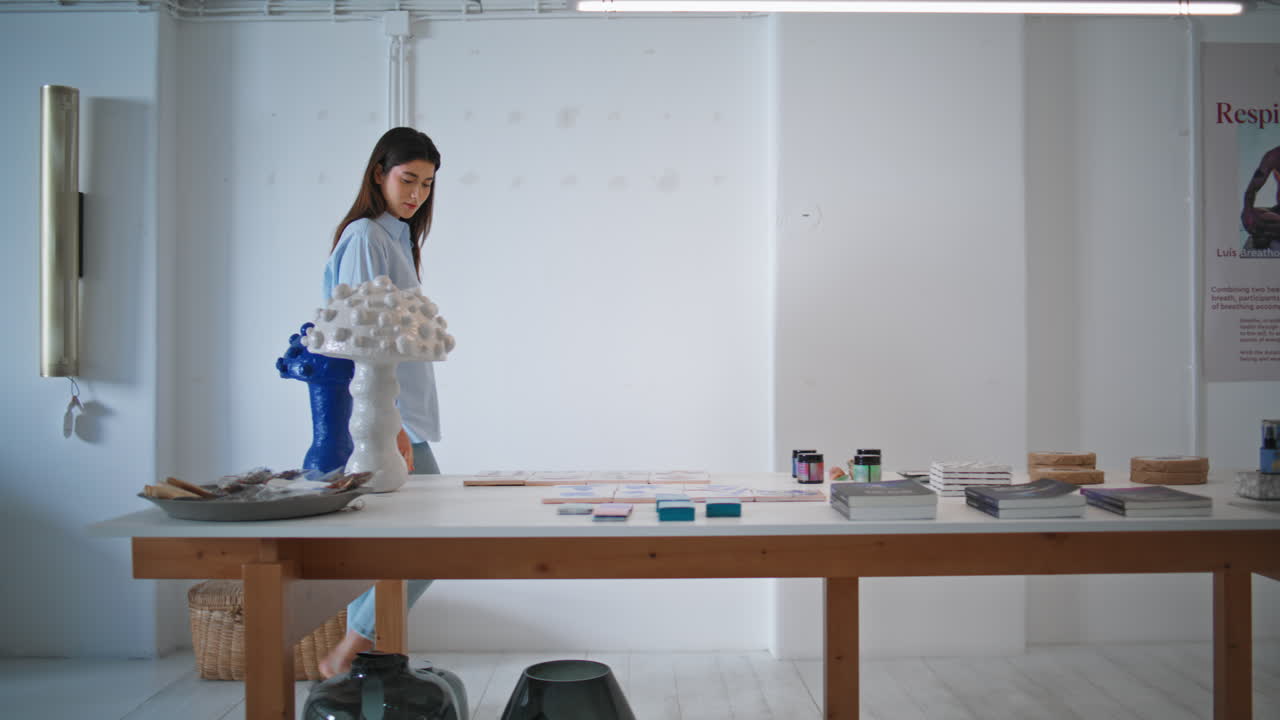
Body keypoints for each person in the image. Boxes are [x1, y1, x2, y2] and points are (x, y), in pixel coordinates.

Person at [317, 127, 443, 678]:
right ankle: (349, 653)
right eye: (407, 179)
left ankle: (363, 661)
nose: (416, 193)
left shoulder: (393, 239)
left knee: (388, 548)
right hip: (386, 419)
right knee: (433, 544)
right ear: (378, 173)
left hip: (400, 417)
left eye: (427, 184)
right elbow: (365, 340)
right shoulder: (368, 238)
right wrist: (386, 428)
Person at [1241, 144, 1280, 249]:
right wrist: (1248, 211)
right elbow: (1252, 189)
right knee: (1252, 216)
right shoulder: (1274, 156)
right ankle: (1270, 233)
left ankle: (1268, 234)